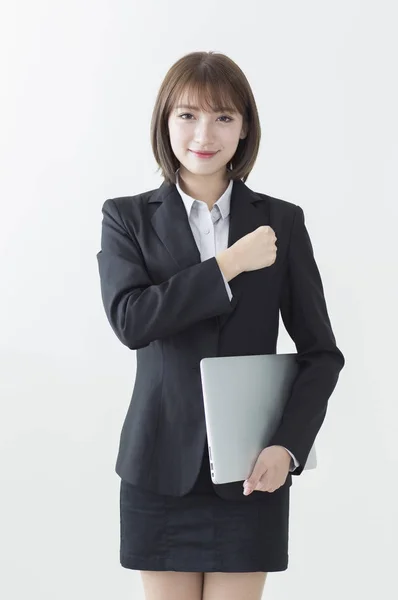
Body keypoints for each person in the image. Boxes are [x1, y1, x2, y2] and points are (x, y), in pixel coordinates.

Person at [96, 50, 345, 600]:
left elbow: (322, 353)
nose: (203, 133)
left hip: (252, 472)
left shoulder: (281, 221)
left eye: (223, 117)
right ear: (165, 122)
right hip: (159, 470)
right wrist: (228, 264)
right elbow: (131, 320)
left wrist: (289, 446)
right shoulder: (127, 217)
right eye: (187, 115)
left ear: (244, 128)